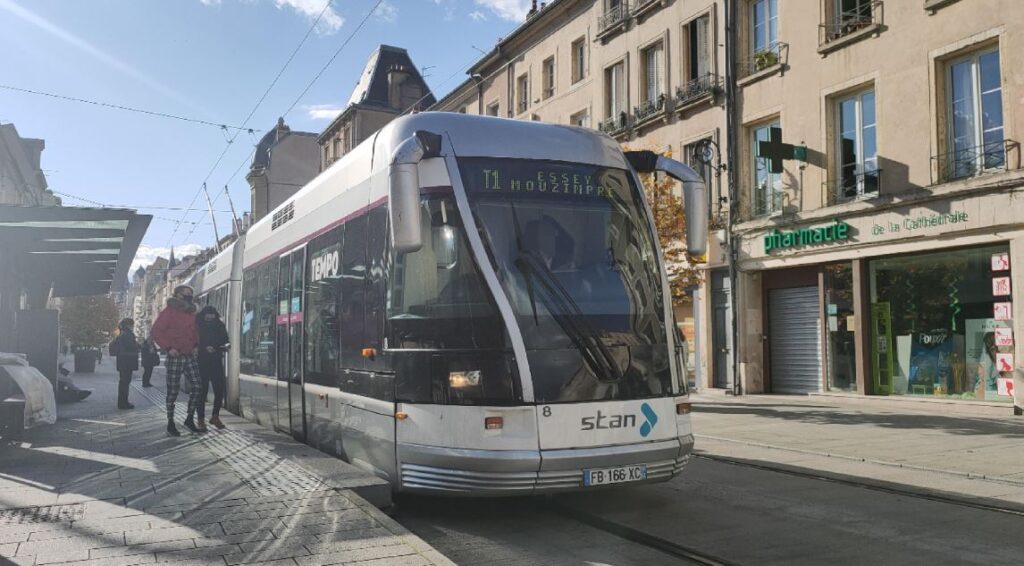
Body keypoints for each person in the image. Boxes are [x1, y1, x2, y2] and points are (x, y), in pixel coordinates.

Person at [151, 285, 202, 436]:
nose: (190, 296)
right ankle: (171, 422)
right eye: (187, 294)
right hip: (176, 355)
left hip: (189, 355)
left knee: (198, 387)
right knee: (173, 391)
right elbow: (156, 331)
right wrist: (168, 347)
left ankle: (189, 419)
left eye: (191, 294)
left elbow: (195, 331)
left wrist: (196, 345)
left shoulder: (191, 312)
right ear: (178, 295)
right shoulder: (169, 311)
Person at [196, 305, 230, 430]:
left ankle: (215, 416)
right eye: (207, 314)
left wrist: (219, 347)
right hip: (202, 361)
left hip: (216, 360)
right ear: (203, 315)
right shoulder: (197, 325)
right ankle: (200, 419)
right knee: (202, 391)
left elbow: (226, 339)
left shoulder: (219, 325)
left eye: (212, 314)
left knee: (219, 389)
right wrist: (204, 348)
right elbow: (194, 341)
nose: (210, 316)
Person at [108, 318, 140, 409]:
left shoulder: (122, 333)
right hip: (127, 362)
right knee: (125, 383)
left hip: (122, 361)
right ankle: (123, 403)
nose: (133, 326)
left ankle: (122, 402)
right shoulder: (127, 334)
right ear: (129, 325)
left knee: (123, 382)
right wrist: (138, 345)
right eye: (132, 325)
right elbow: (131, 346)